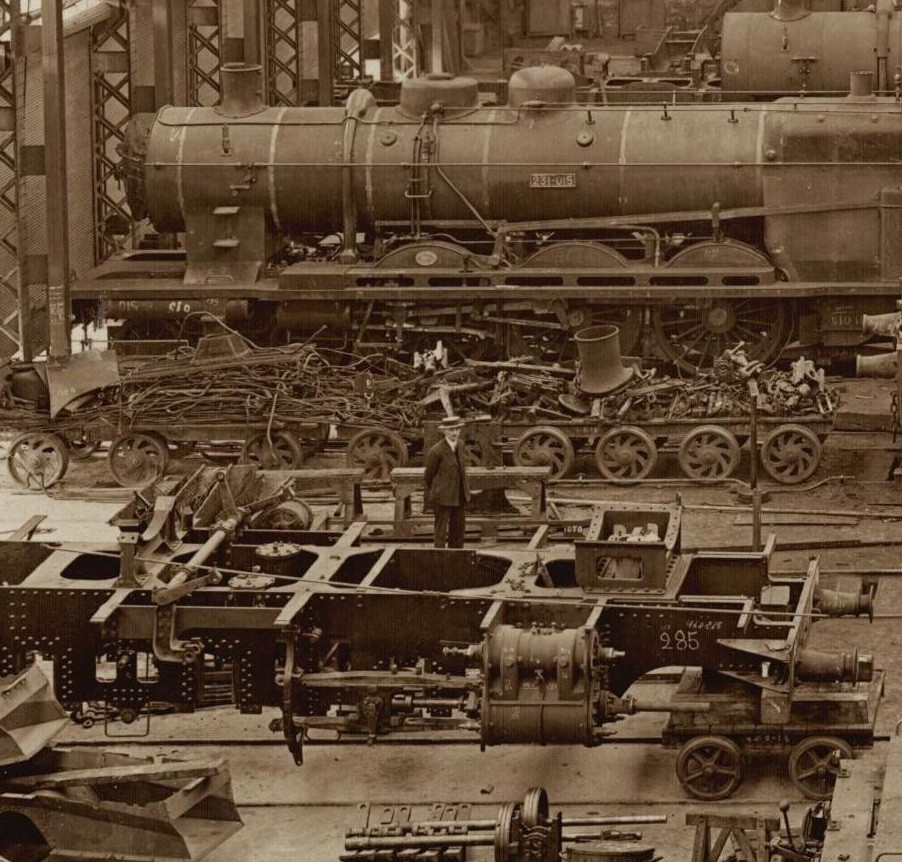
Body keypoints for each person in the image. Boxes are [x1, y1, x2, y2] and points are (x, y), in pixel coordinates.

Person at [423, 415, 471, 548]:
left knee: (458, 530)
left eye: (456, 429)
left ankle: (456, 557)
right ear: (444, 431)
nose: (454, 433)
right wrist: (439, 490)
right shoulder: (436, 451)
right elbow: (428, 476)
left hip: (459, 495)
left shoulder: (460, 445)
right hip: (442, 497)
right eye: (450, 430)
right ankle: (439, 559)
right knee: (441, 532)